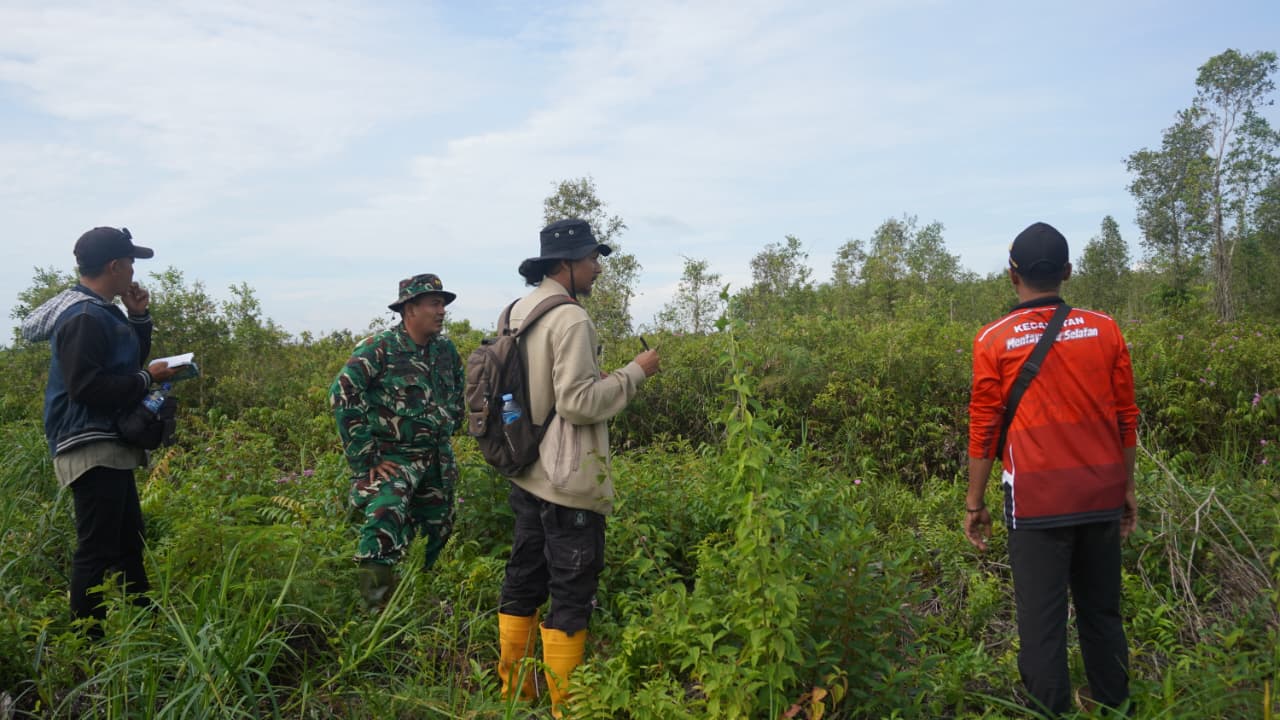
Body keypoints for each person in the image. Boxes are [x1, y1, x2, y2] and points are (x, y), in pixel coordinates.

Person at [964, 222, 1139, 716]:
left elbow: (983, 428)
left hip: (1036, 501)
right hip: (1101, 492)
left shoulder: (993, 340)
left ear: (1011, 274)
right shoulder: (1104, 329)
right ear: (1067, 271)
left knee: (1040, 622)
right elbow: (1126, 417)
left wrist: (974, 503)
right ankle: (1114, 706)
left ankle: (1052, 712)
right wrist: (1126, 488)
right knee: (1102, 611)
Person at [495, 218, 660, 717]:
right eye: (592, 259)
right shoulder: (571, 320)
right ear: (565, 265)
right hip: (566, 482)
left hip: (525, 472)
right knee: (571, 588)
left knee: (524, 580)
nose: (597, 268)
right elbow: (578, 403)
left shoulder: (514, 312)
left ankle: (515, 699)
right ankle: (569, 708)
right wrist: (635, 373)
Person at [20, 226, 179, 633]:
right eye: (129, 263)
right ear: (114, 265)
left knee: (128, 540)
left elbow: (120, 365)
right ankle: (87, 642)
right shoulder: (85, 317)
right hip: (89, 444)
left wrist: (139, 318)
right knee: (97, 547)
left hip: (105, 442)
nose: (132, 271)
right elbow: (87, 387)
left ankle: (145, 626)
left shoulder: (101, 311)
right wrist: (148, 378)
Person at [329, 274, 464, 610]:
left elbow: (458, 392)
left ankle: (417, 598)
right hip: (392, 459)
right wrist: (366, 459)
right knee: (383, 521)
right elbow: (342, 392)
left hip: (435, 458)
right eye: (433, 303)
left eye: (443, 303)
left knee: (438, 526)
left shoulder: (445, 350)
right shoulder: (379, 348)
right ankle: (375, 612)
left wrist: (449, 423)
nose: (441, 310)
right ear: (410, 309)